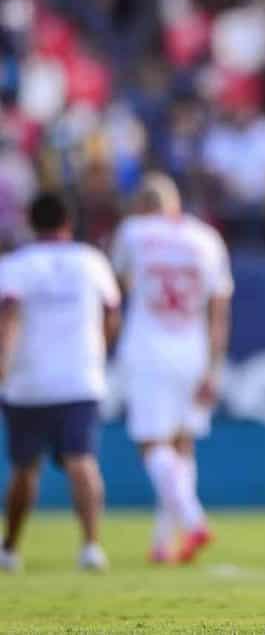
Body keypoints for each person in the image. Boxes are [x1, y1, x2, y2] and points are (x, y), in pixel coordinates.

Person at [111, 173, 233, 564]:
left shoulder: (133, 232)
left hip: (147, 347)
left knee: (152, 445)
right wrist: (214, 366)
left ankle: (194, 520)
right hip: (192, 349)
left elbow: (118, 286)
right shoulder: (207, 239)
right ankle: (164, 543)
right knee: (183, 445)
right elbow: (220, 311)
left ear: (142, 206)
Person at [0, 192, 120, 572]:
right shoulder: (91, 261)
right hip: (80, 377)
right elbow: (112, 313)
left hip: (28, 381)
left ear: (32, 224)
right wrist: (99, 351)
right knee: (82, 461)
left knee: (23, 469)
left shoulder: (16, 266)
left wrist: (2, 364)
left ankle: (10, 549)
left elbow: (8, 318)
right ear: (68, 222)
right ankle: (91, 547)